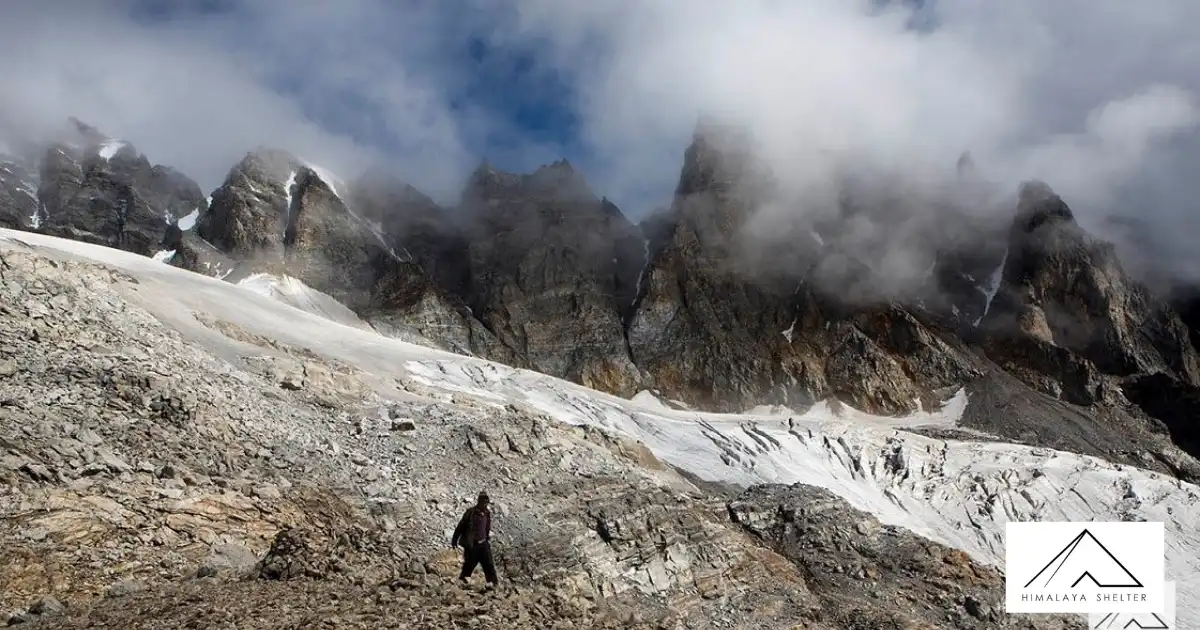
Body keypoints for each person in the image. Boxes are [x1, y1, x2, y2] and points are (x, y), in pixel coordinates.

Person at [451, 491, 497, 587]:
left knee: (489, 564)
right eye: (483, 502)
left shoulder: (487, 513)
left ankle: (493, 584)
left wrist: (487, 538)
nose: (485, 504)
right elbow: (461, 526)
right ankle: (462, 582)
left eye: (486, 502)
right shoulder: (470, 513)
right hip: (472, 545)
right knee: (468, 565)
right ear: (479, 502)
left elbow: (487, 528)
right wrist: (454, 539)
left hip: (483, 543)